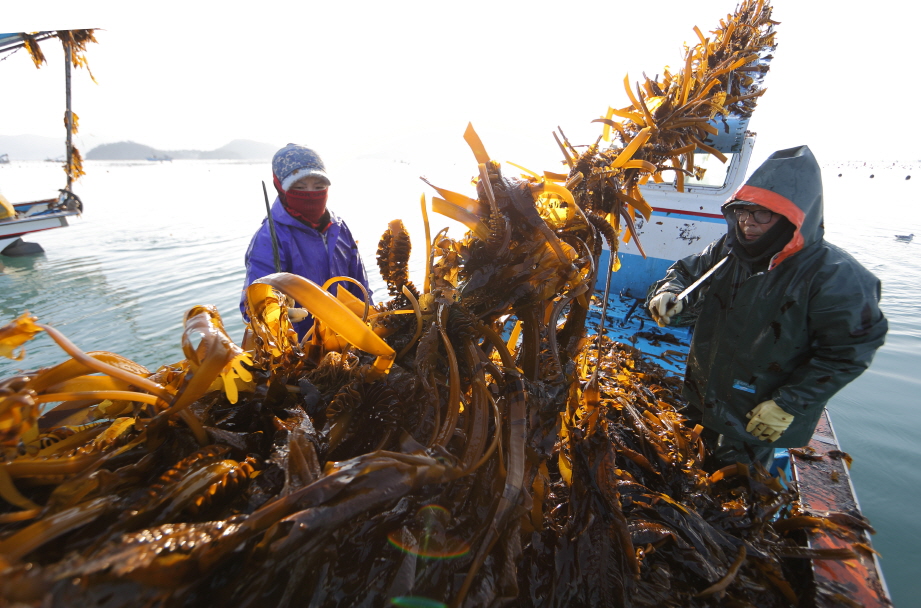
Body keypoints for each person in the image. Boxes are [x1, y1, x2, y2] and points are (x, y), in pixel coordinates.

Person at [646, 145, 887, 468]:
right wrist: (668, 292)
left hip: (757, 410)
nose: (748, 223)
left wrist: (789, 404)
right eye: (742, 211)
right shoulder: (729, 250)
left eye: (762, 214)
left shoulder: (837, 277)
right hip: (701, 393)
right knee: (680, 465)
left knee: (736, 487)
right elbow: (686, 272)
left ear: (795, 217)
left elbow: (848, 352)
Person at [241, 144, 372, 339]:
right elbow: (252, 305)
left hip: (348, 342)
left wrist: (371, 319)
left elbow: (360, 284)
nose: (311, 194)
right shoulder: (270, 237)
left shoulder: (339, 227)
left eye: (319, 187)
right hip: (301, 351)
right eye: (300, 188)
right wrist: (277, 315)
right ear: (280, 188)